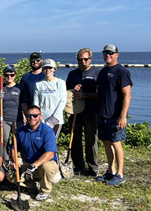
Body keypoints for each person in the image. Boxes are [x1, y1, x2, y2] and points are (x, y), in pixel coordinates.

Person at [96, 44, 132, 186]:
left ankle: (120, 174)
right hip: (103, 115)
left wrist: (123, 116)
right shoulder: (103, 71)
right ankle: (110, 171)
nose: (108, 55)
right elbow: (101, 94)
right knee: (106, 142)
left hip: (115, 116)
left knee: (116, 143)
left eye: (111, 52)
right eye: (105, 52)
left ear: (117, 54)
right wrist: (98, 112)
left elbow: (127, 95)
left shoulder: (121, 71)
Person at [9, 105, 59, 201]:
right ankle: (31, 186)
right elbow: (13, 148)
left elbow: (50, 154)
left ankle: (45, 190)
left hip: (44, 164)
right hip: (28, 164)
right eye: (29, 115)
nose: (32, 118)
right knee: (11, 175)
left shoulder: (47, 131)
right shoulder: (20, 131)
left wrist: (33, 166)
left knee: (47, 167)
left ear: (40, 116)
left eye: (35, 115)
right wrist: (14, 161)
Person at [66, 48, 100, 176]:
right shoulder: (72, 74)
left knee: (91, 140)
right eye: (80, 59)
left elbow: (101, 94)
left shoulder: (97, 73)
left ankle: (93, 167)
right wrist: (73, 90)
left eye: (85, 59)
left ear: (90, 59)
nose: (83, 61)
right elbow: (67, 93)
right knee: (75, 139)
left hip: (91, 112)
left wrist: (86, 94)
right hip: (75, 111)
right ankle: (79, 166)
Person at [33, 59, 67, 137]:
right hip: (41, 119)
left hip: (56, 120)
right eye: (45, 68)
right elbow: (36, 103)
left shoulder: (60, 83)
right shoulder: (39, 84)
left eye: (50, 68)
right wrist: (39, 118)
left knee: (51, 144)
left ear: (54, 69)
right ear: (42, 69)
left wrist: (52, 120)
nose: (48, 70)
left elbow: (62, 101)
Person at [1, 65, 23, 165]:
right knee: (4, 139)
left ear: (15, 75)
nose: (9, 77)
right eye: (7, 75)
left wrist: (26, 115)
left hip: (17, 119)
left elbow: (24, 103)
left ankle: (16, 160)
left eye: (12, 74)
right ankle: (5, 160)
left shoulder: (19, 88)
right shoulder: (1, 88)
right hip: (4, 118)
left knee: (16, 141)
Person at [19, 52, 45, 119]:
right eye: (33, 60)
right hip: (32, 114)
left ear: (41, 60)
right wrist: (26, 115)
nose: (35, 62)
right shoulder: (25, 77)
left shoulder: (47, 76)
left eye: (37, 60)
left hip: (46, 113)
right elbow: (23, 100)